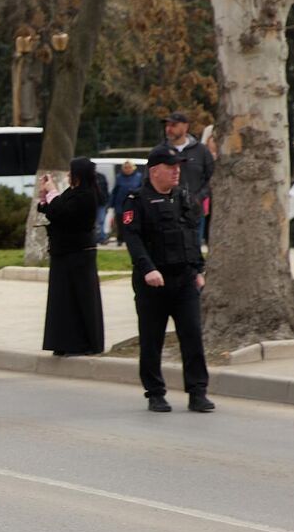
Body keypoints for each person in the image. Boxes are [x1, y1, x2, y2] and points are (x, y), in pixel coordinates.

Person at [120, 145, 212, 414]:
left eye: (178, 167)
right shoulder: (137, 200)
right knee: (152, 340)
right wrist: (148, 269)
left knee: (192, 335)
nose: (176, 172)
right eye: (171, 167)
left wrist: (198, 270)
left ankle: (197, 392)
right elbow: (133, 239)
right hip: (153, 282)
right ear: (154, 171)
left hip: (184, 280)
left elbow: (191, 236)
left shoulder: (182, 197)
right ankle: (155, 393)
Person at [38, 159, 105, 357]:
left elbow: (65, 212)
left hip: (79, 254)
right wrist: (45, 198)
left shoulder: (87, 195)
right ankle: (63, 342)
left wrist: (52, 191)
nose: (68, 175)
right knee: (62, 300)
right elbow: (55, 212)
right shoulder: (72, 192)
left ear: (79, 174)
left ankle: (85, 343)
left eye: (71, 172)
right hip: (62, 252)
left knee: (81, 299)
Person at [161, 112, 214, 240]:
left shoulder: (201, 151)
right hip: (166, 211)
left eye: (173, 125)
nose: (169, 129)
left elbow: (212, 177)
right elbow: (150, 178)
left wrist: (199, 197)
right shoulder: (160, 151)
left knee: (192, 247)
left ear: (185, 127)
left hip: (193, 212)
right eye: (167, 125)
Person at [107, 160, 143, 243]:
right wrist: (111, 203)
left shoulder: (139, 177)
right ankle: (120, 239)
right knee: (120, 222)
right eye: (125, 168)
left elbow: (141, 189)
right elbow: (115, 191)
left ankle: (132, 238)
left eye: (129, 167)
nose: (127, 169)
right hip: (120, 204)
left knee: (131, 221)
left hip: (133, 203)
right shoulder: (119, 177)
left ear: (133, 168)